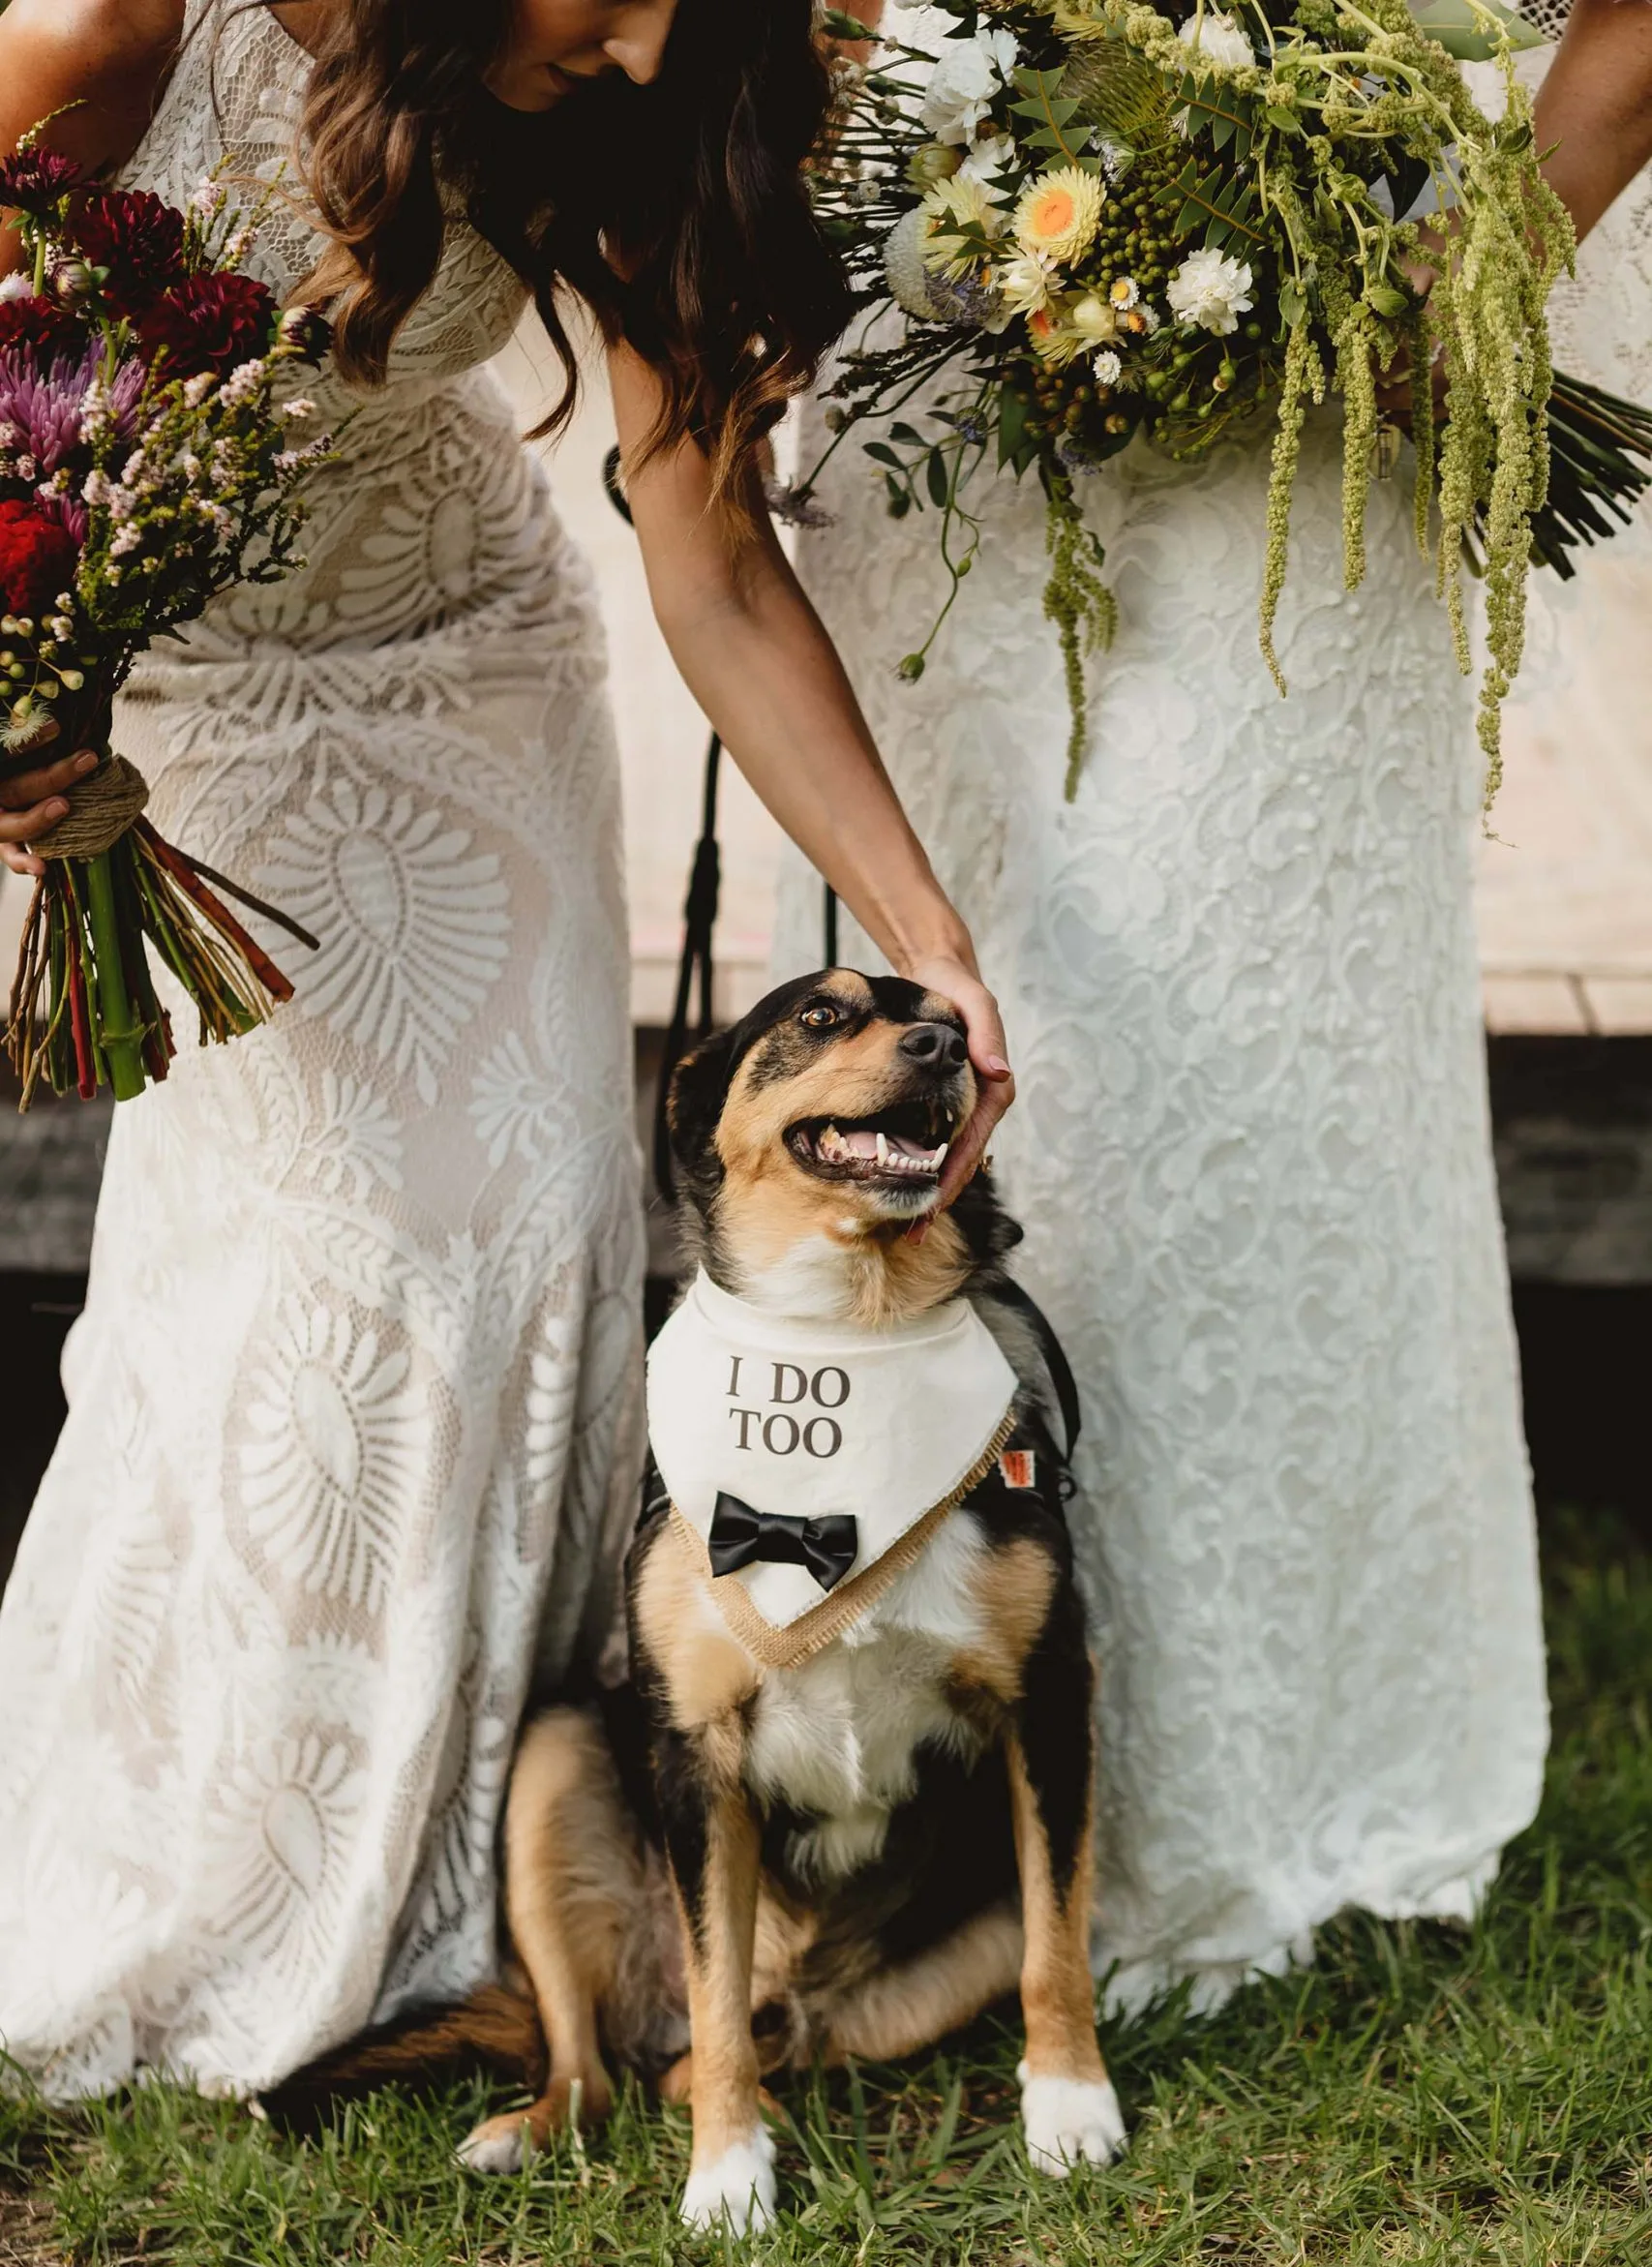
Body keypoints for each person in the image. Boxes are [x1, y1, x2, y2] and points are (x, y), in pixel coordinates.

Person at [0, 0, 1012, 2097]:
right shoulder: (115, 36)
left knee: (520, 1244)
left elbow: (712, 562)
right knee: (308, 1290)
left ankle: (472, 1893)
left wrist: (927, 937)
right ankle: (222, 1870)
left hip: (472, 680)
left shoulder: (618, 104)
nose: (649, 49)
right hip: (189, 733)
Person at [773, 0, 1652, 2012]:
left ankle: (1230, 1763)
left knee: (1239, 1079)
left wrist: (1489, 255)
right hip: (944, 390)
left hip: (1313, 405)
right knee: (985, 1034)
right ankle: (920, 1768)